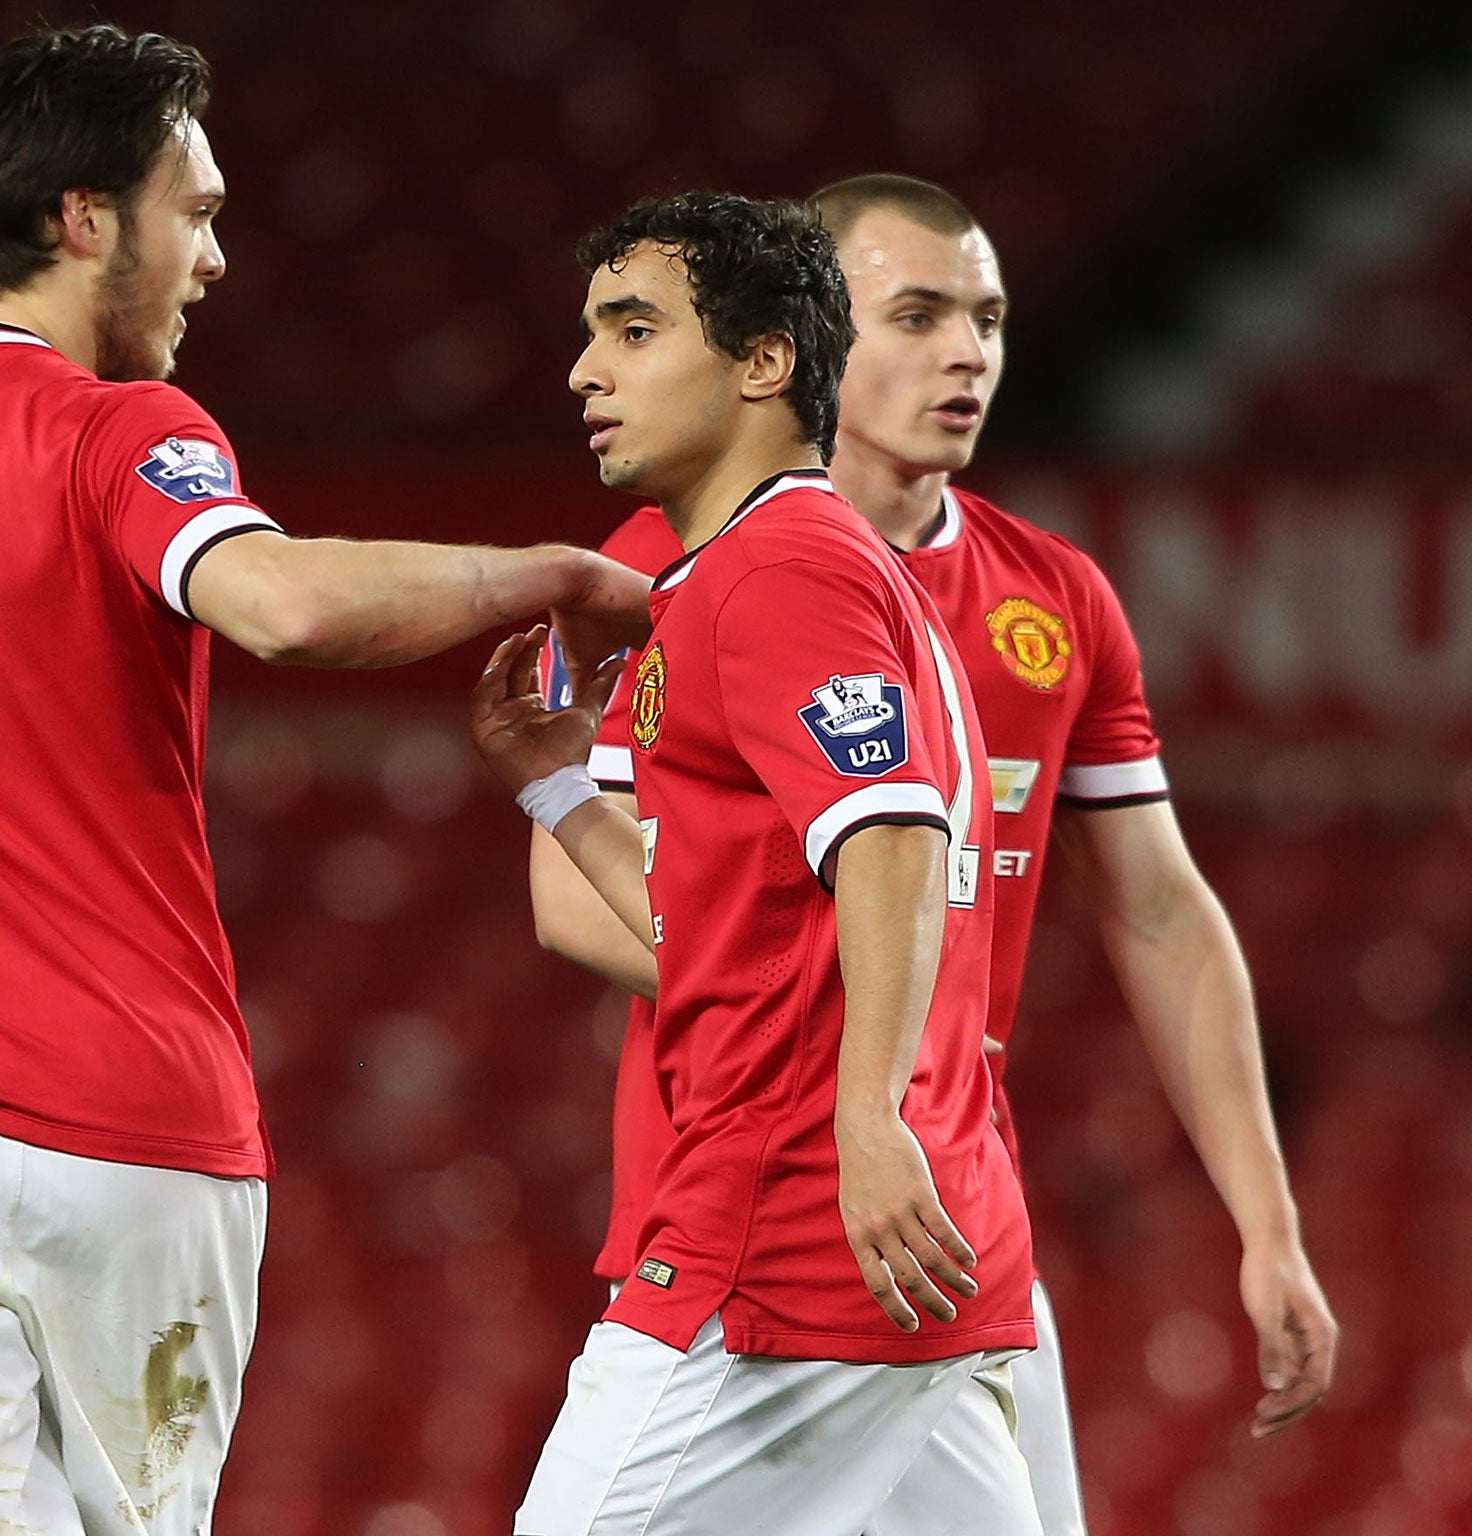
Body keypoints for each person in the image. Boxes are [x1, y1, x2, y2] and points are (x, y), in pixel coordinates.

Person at [0, 25, 648, 1536]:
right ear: (84, 219)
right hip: (138, 1139)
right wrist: (538, 567)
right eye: (193, 212)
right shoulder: (118, 431)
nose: (212, 258)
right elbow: (281, 606)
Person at [530, 175, 1338, 1534]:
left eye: (990, 317)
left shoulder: (1051, 597)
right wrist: (860, 1051)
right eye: (918, 313)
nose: (970, 351)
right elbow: (573, 903)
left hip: (902, 1207)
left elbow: (1160, 914)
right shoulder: (647, 573)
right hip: (769, 1198)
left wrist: (1268, 1220)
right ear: (806, 339)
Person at [471, 191, 1040, 1535]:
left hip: (786, 1233)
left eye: (633, 328)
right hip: (925, 1249)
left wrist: (865, 1114)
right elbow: (720, 928)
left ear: (764, 360)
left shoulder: (777, 570)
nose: (585, 371)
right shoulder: (771, 570)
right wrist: (557, 784)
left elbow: (892, 834)